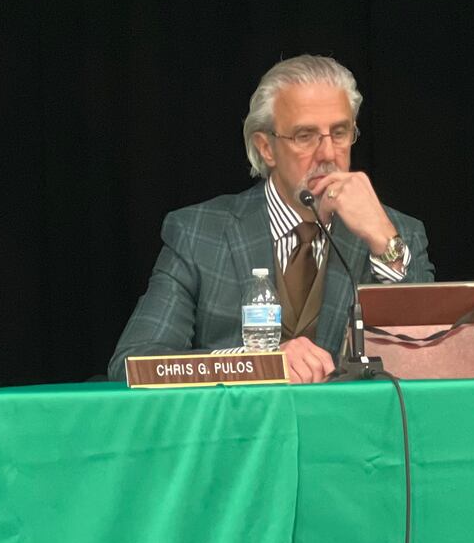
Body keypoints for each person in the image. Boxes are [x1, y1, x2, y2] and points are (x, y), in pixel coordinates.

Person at [109, 55, 434, 383]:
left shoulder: (399, 232)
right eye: (305, 136)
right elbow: (133, 362)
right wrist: (253, 363)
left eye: (339, 132)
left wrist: (384, 242)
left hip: (352, 431)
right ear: (266, 148)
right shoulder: (198, 233)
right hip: (242, 432)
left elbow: (434, 358)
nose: (328, 153)